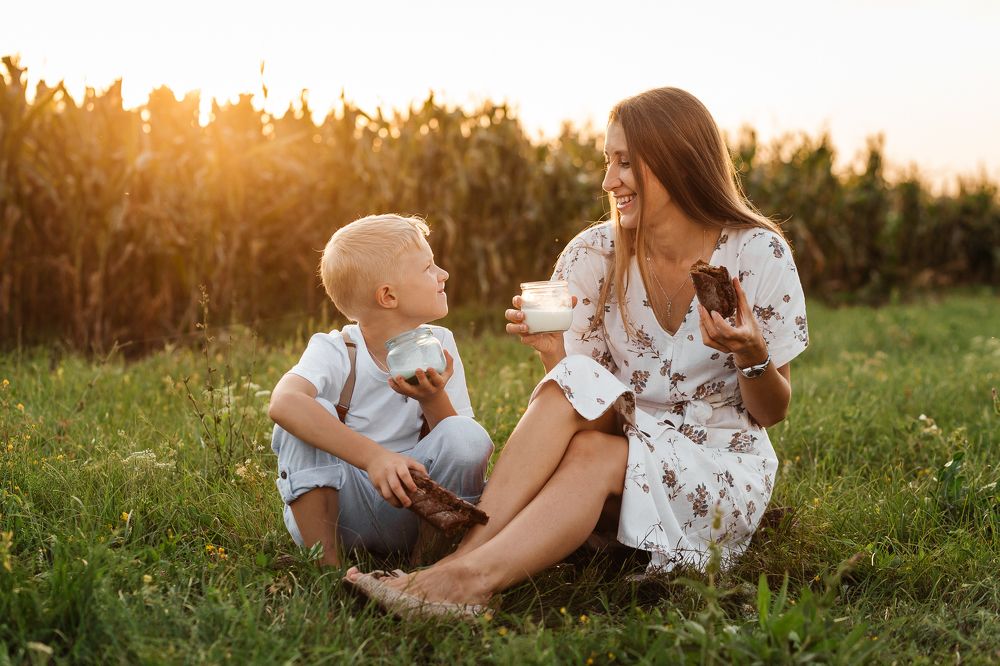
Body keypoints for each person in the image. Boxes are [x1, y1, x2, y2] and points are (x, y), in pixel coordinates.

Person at [344, 87, 809, 617]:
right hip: (619, 444)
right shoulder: (593, 254)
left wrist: (751, 353)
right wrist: (554, 356)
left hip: (717, 466)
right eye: (607, 162)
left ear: (679, 162)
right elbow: (586, 400)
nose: (609, 181)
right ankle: (458, 568)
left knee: (595, 455)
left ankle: (466, 581)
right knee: (579, 395)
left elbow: (770, 412)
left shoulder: (757, 253)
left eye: (626, 164)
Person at [269, 214, 494, 567]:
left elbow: (460, 451)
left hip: (413, 511)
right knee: (307, 413)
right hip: (339, 513)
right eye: (429, 268)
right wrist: (374, 457)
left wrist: (433, 400)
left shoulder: (440, 343)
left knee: (466, 434)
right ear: (388, 295)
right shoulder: (337, 350)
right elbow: (283, 403)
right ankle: (327, 567)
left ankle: (427, 566)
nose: (443, 274)